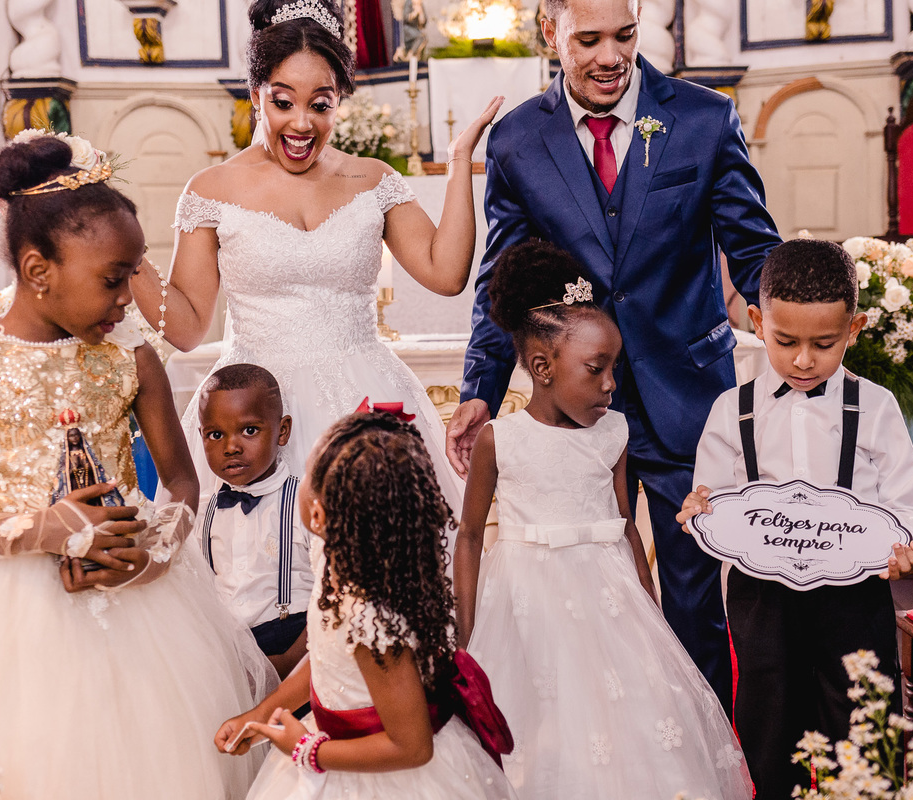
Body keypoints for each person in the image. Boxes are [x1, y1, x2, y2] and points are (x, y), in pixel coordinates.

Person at [0, 132, 274, 800]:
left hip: (137, 608)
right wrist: (41, 531)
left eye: (133, 275)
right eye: (113, 280)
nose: (129, 299)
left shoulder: (131, 357)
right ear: (39, 273)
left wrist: (154, 553)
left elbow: (181, 480)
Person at [445, 0, 784, 711]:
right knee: (589, 593)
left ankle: (706, 750)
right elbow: (500, 278)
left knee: (694, 599)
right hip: (576, 408)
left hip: (687, 395)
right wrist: (480, 385)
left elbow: (753, 248)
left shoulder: (703, 118)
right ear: (551, 34)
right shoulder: (516, 141)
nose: (610, 57)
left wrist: (793, 328)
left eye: (624, 36)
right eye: (589, 39)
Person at [129, 0, 502, 519]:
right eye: (284, 102)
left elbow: (446, 273)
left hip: (366, 396)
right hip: (253, 410)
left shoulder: (372, 179)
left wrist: (462, 159)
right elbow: (188, 329)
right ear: (257, 95)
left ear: (339, 102)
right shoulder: (210, 190)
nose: (302, 124)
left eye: (321, 105)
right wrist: (129, 258)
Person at [454, 241, 753, 800]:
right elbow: (470, 537)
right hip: (523, 599)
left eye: (613, 367)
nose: (611, 384)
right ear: (542, 368)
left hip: (607, 597)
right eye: (597, 369)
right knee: (538, 718)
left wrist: (649, 607)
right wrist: (465, 632)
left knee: (624, 717)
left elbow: (625, 524)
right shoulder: (502, 437)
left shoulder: (614, 432)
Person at [677, 238, 913, 800]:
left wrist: (905, 544)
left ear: (855, 329)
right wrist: (701, 513)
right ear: (755, 321)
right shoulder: (731, 411)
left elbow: (903, 502)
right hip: (762, 600)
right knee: (770, 734)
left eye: (824, 344)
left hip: (854, 599)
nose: (802, 360)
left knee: (862, 732)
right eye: (784, 340)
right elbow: (714, 498)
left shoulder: (877, 408)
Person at [216, 412, 517, 800]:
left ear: (320, 515)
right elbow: (327, 660)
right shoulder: (339, 554)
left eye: (309, 473)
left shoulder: (370, 617)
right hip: (337, 741)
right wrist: (261, 714)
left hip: (386, 773)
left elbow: (412, 747)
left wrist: (305, 749)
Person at [197, 363, 314, 677]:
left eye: (249, 430)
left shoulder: (306, 503)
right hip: (227, 651)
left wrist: (289, 662)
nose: (231, 447)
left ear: (282, 431)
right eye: (215, 435)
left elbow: (331, 596)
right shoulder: (203, 510)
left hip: (294, 646)